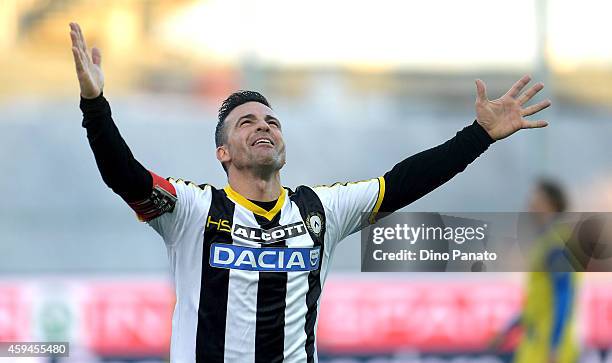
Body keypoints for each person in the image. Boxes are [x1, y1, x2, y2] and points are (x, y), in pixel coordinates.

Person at [69, 21, 552, 363]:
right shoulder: (193, 210)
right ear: (223, 154)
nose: (264, 127)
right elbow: (124, 175)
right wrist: (95, 105)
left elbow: (405, 181)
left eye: (272, 121)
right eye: (247, 123)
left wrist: (479, 135)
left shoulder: (320, 210)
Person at [491, 179, 579, 363]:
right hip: (534, 344)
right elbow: (537, 302)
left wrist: (554, 347)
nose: (530, 206)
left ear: (551, 204)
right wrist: (509, 329)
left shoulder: (557, 245)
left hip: (548, 350)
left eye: (536, 199)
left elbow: (564, 296)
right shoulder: (545, 243)